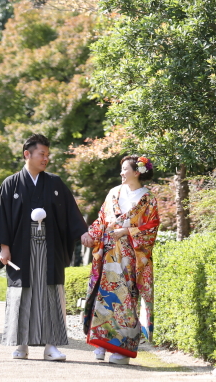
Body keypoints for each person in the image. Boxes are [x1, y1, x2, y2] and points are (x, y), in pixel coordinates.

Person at [0, 133, 88, 361]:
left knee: (50, 295)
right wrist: (4, 247)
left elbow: (71, 213)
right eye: (42, 154)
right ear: (27, 154)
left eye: (48, 155)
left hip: (49, 249)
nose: (46, 159)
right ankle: (21, 345)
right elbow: (2, 218)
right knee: (24, 295)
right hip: (21, 249)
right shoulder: (10, 184)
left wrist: (83, 233)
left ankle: (51, 346)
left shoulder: (55, 183)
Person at [80, 155, 161, 365]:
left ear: (137, 172)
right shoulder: (113, 193)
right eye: (122, 169)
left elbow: (151, 228)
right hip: (107, 254)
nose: (121, 173)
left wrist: (128, 230)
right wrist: (91, 234)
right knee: (104, 297)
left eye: (125, 169)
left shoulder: (148, 198)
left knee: (126, 301)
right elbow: (101, 219)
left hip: (131, 259)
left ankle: (122, 350)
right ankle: (100, 344)